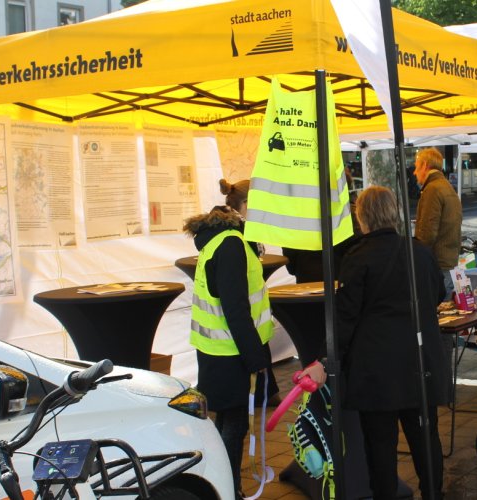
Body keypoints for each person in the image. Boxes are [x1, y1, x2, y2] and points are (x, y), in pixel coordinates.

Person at [303, 186, 449, 500]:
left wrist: (324, 359)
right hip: (420, 363)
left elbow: (345, 317)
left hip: (377, 370)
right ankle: (433, 493)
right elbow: (439, 294)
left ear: (362, 217)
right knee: (426, 440)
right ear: (394, 212)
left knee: (380, 446)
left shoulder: (359, 257)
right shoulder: (420, 252)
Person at [181, 179, 277, 496]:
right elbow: (235, 308)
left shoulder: (222, 239)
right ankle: (228, 490)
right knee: (234, 427)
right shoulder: (231, 245)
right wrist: (255, 357)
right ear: (245, 206)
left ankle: (224, 488)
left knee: (227, 421)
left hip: (220, 349)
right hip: (230, 352)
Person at [414, 147, 462, 295]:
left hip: (437, 264)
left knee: (436, 306)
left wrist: (417, 257)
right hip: (449, 261)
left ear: (424, 165)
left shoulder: (432, 189)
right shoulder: (447, 187)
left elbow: (427, 233)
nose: (414, 172)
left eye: (416, 167)